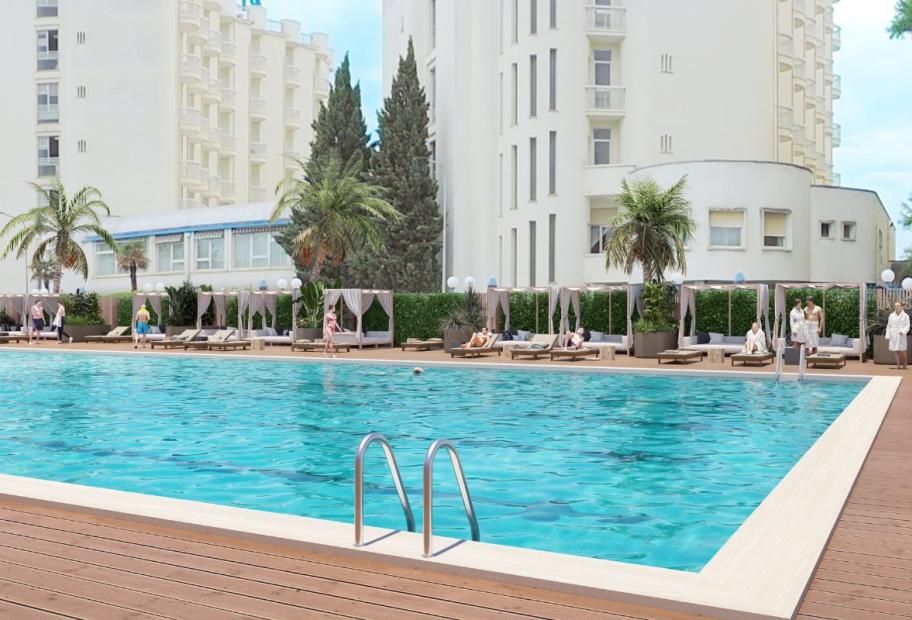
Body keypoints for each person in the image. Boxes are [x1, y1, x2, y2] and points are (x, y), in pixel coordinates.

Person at [885, 302, 910, 370]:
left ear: (901, 307)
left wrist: (903, 331)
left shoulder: (905, 316)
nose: (896, 307)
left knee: (903, 349)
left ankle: (905, 362)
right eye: (895, 306)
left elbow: (908, 325)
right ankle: (898, 364)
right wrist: (888, 335)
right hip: (893, 334)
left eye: (898, 306)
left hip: (901, 333)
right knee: (895, 350)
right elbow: (889, 325)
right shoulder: (891, 315)